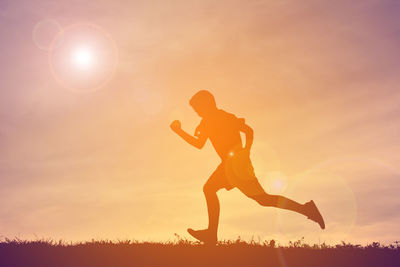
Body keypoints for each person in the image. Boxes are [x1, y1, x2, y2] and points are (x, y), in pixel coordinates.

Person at [170, 90, 325, 244]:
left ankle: (211, 234)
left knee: (261, 199)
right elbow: (199, 144)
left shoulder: (224, 117)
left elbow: (248, 131)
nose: (197, 112)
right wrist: (179, 131)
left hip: (237, 165)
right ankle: (306, 209)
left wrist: (246, 151)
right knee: (255, 198)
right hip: (228, 165)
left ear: (207, 104)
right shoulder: (206, 122)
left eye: (197, 108)